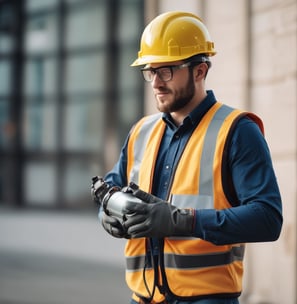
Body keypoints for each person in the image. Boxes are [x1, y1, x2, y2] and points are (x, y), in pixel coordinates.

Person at [93, 11, 283, 304]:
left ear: (200, 70)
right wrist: (107, 215)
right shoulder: (141, 132)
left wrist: (183, 221)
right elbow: (113, 188)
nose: (156, 82)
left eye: (166, 70)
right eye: (150, 71)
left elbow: (267, 219)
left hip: (207, 298)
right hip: (143, 297)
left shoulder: (237, 131)